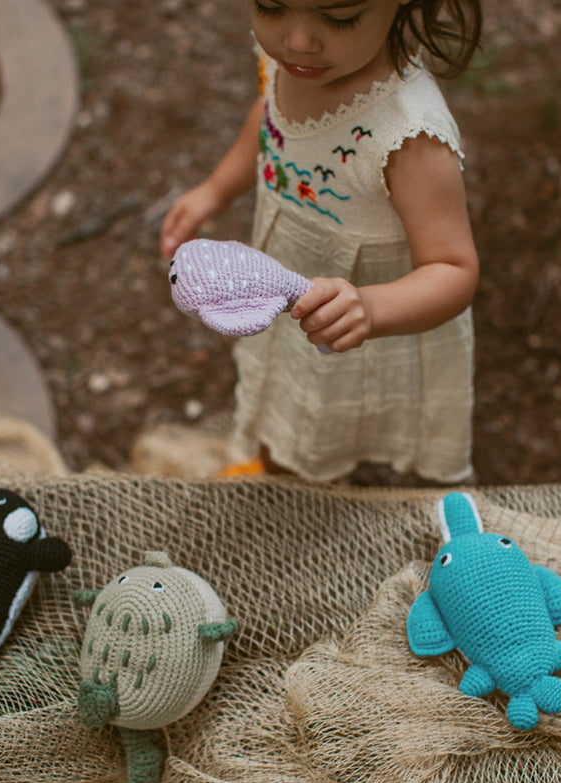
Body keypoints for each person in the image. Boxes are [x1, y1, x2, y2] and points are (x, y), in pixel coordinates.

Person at [160, 0, 483, 484]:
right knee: (286, 393)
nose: (297, 40)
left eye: (339, 17)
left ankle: (292, 483)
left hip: (360, 317)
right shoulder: (293, 63)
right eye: (270, 7)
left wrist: (368, 309)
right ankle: (277, 460)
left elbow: (454, 269)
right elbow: (269, 118)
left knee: (317, 423)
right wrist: (217, 188)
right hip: (295, 278)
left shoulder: (408, 134)